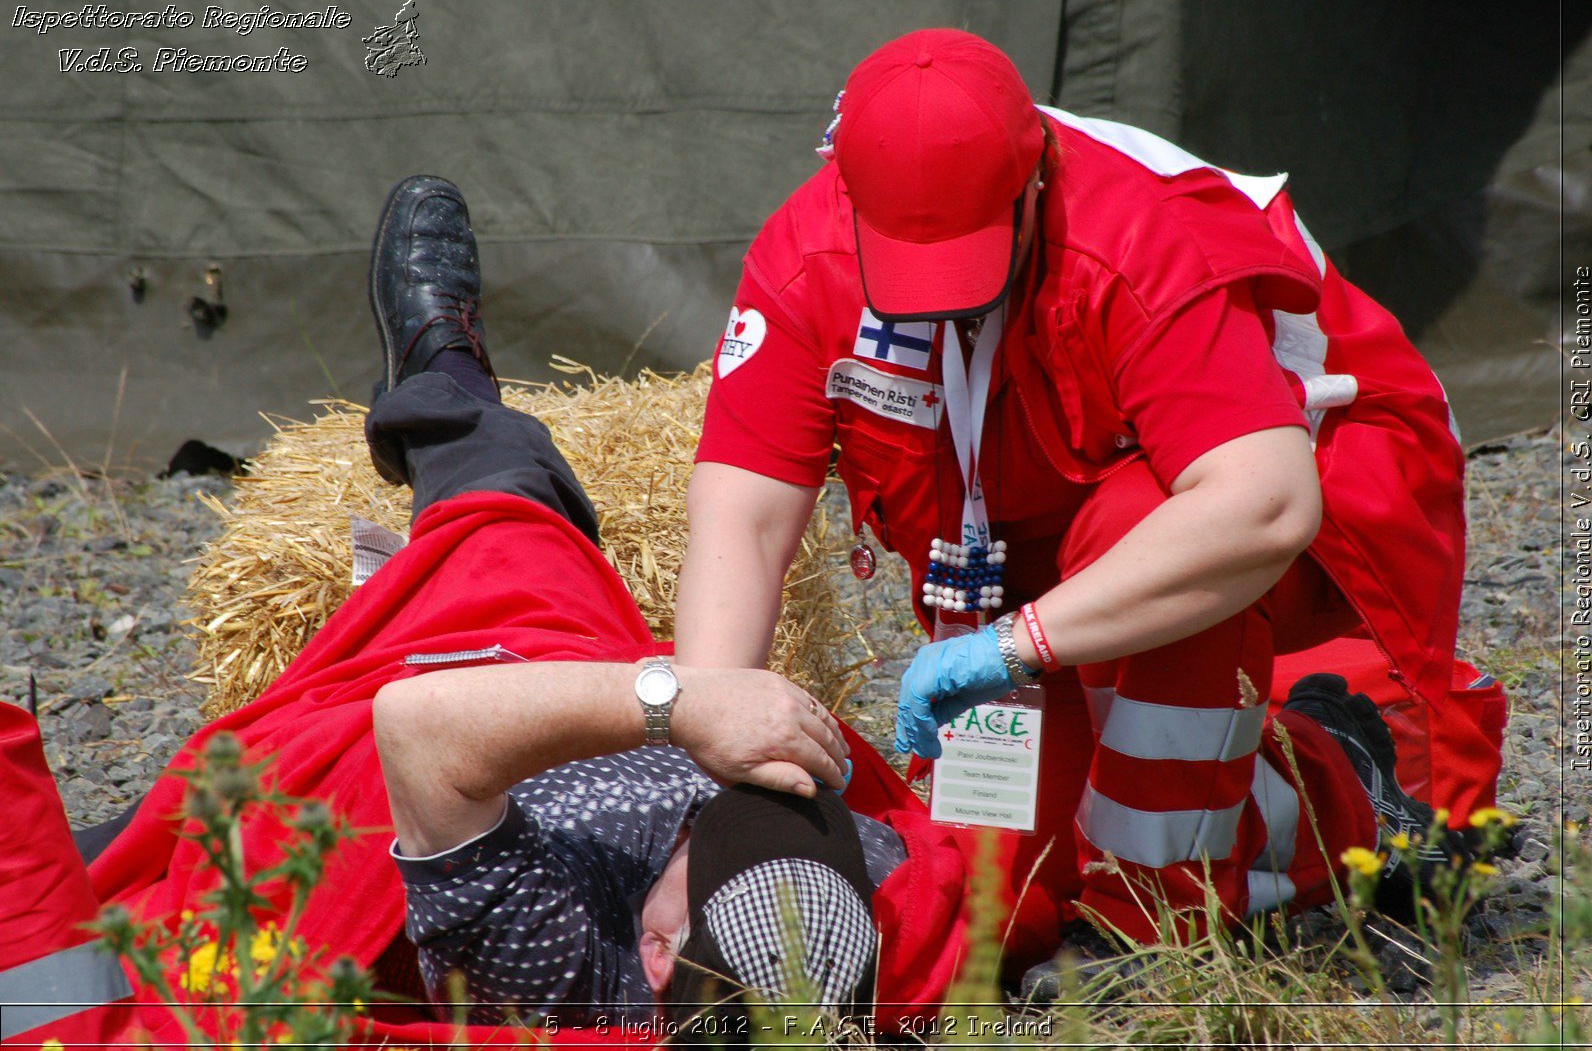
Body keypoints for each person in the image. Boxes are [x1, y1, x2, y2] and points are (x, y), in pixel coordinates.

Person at [0, 176, 980, 1046]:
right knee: (536, 560)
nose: (731, 804)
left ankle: (444, 377)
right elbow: (969, 871)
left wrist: (678, 698)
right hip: (585, 671)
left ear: (653, 950)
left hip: (429, 734)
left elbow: (417, 730)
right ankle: (444, 386)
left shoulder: (563, 977)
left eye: (710, 841)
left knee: (493, 543)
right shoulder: (860, 937)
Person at [675, 28, 1502, 967]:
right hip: (1045, 540)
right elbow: (741, 515)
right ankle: (1338, 781)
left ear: (1031, 186)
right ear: (846, 196)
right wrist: (705, 722)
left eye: (965, 264)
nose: (940, 303)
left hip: (1298, 492)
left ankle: (1156, 934)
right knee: (994, 902)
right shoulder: (805, 251)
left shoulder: (1137, 235)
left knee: (1135, 532)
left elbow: (1262, 505)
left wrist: (1018, 642)